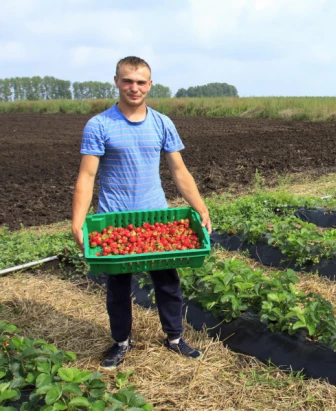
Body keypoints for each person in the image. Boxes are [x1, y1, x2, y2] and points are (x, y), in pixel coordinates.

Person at [71, 56, 212, 369]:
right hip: (114, 220)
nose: (134, 88)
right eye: (127, 81)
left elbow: (179, 170)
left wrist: (200, 206)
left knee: (167, 281)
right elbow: (87, 176)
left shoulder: (162, 123)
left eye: (140, 82)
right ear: (117, 81)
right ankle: (121, 342)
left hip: (155, 220)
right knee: (118, 288)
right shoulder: (99, 125)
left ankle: (174, 337)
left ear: (150, 84)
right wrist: (77, 223)